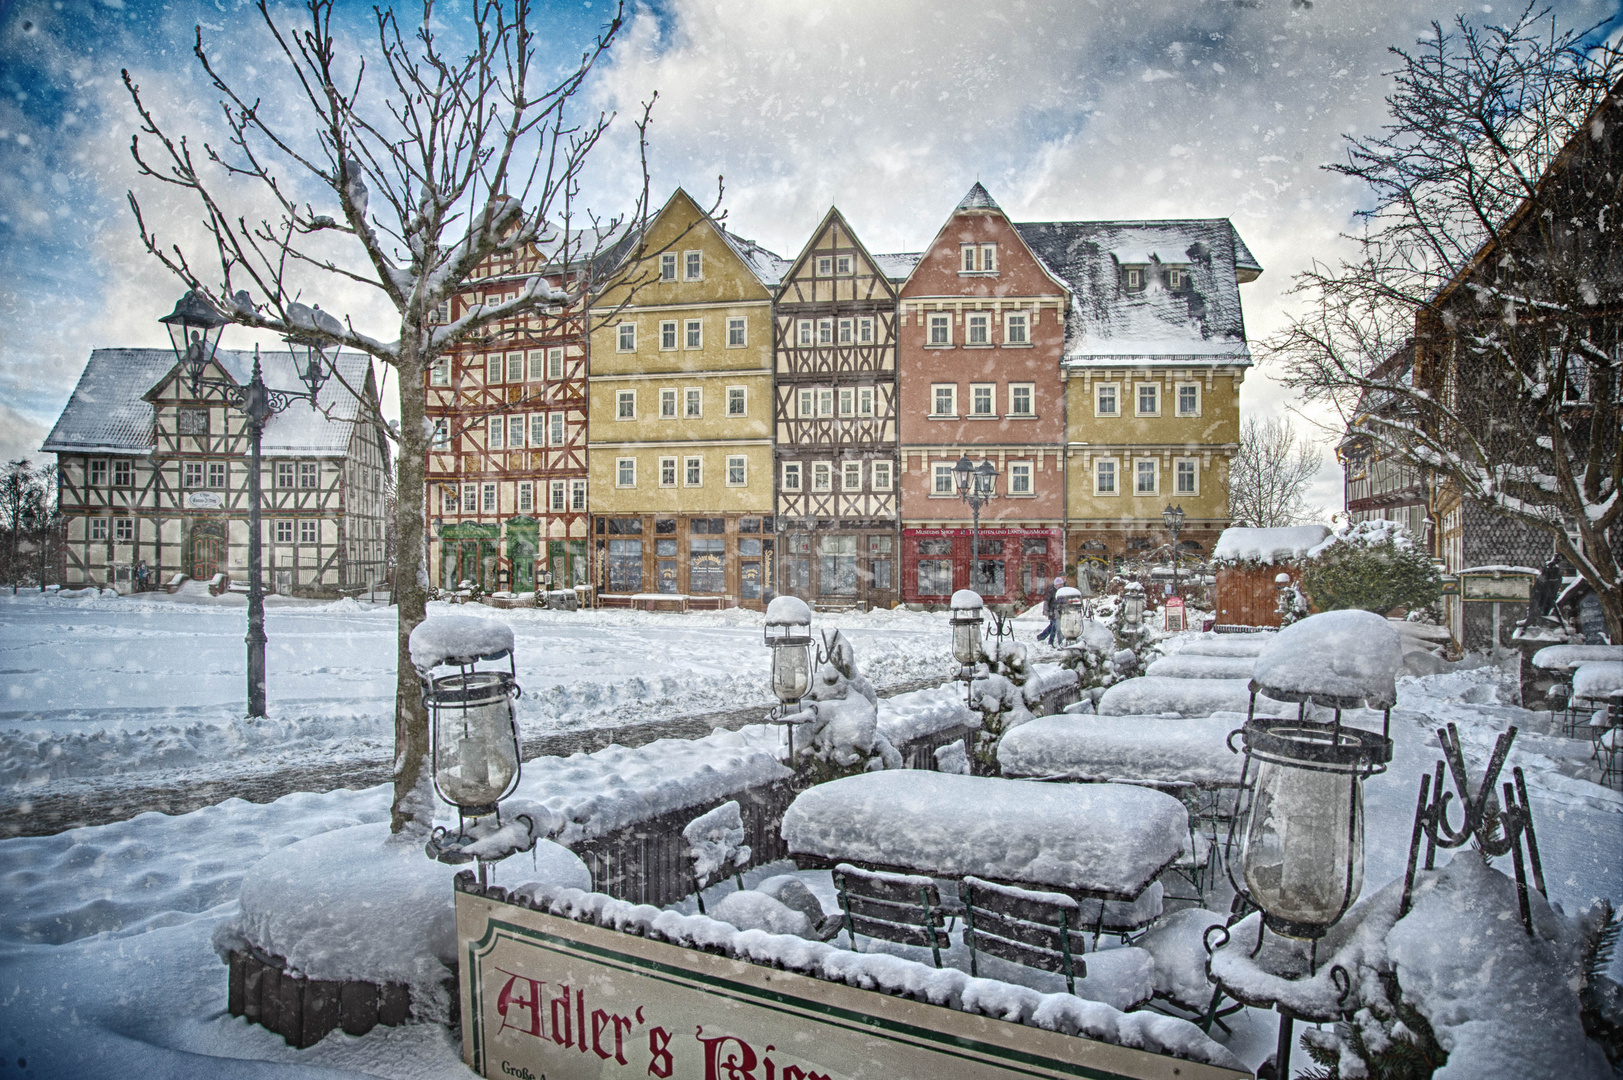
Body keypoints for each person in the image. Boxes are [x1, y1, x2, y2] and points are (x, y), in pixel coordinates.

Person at [1037, 574, 1065, 644]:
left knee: (1053, 627)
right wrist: (1046, 611)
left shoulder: (1062, 591)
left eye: (1062, 584)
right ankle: (1059, 642)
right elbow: (1047, 601)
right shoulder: (1052, 591)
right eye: (1060, 584)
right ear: (1056, 585)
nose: (1061, 586)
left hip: (1058, 612)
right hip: (1053, 612)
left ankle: (1046, 639)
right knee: (1057, 628)